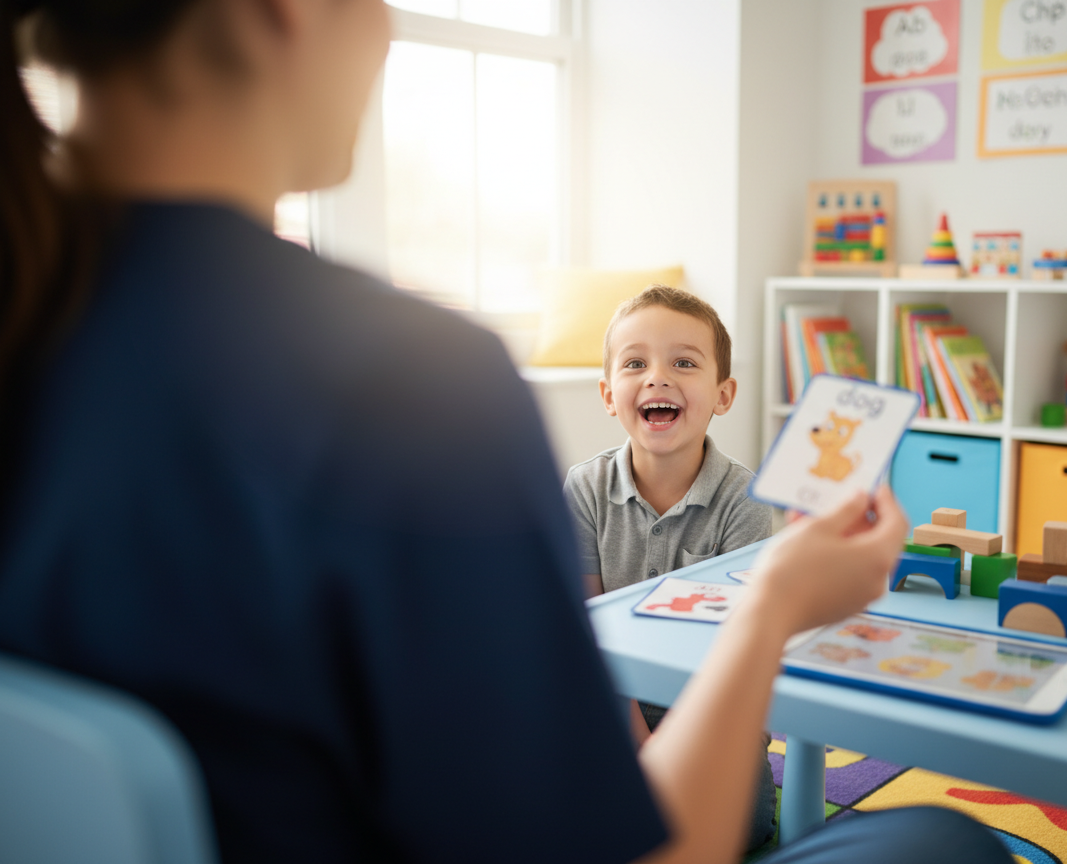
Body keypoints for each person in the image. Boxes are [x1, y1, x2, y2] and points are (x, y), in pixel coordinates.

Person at [0, 2, 1015, 863]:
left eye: (683, 365)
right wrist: (775, 604)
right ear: (287, 13)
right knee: (946, 840)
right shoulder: (403, 380)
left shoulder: (43, 316)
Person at [564, 285, 778, 851]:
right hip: (611, 696)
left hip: (711, 703)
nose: (657, 377)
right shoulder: (584, 488)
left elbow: (741, 651)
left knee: (746, 828)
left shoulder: (747, 499)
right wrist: (638, 744)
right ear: (611, 395)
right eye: (636, 363)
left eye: (684, 362)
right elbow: (588, 633)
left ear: (723, 394)